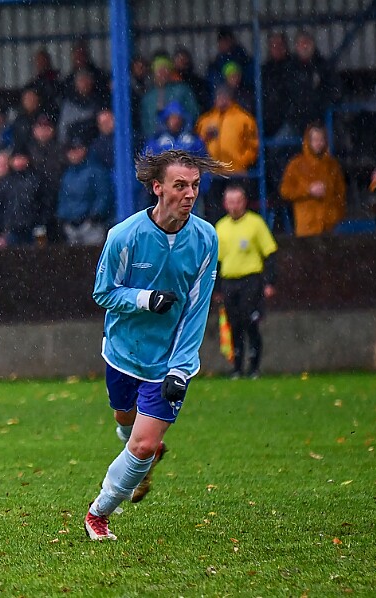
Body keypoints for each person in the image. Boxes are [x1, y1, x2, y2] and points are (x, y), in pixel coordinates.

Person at [84, 150, 228, 541]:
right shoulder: (124, 237)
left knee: (144, 444)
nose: (189, 194)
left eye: (195, 185)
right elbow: (103, 292)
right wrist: (144, 299)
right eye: (180, 185)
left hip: (168, 362)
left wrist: (181, 368)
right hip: (122, 352)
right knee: (124, 422)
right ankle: (139, 457)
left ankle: (98, 514)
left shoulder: (205, 239)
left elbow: (197, 310)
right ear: (157, 187)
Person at [214, 184, 277, 379]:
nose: (234, 206)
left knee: (251, 323)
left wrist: (269, 282)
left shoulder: (255, 223)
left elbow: (270, 253)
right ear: (225, 204)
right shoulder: (220, 227)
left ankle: (254, 367)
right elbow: (216, 261)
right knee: (234, 325)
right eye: (230, 202)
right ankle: (237, 368)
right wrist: (216, 288)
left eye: (238, 201)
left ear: (244, 202)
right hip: (229, 282)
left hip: (251, 281)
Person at [195, 85, 259, 222]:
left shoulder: (244, 119)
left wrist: (242, 161)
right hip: (213, 173)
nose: (222, 99)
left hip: (236, 172)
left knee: (238, 209)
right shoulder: (205, 121)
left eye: (225, 96)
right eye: (219, 96)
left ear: (231, 98)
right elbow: (197, 145)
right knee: (214, 211)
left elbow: (253, 145)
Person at [279, 124, 346, 236]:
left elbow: (340, 193)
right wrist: (308, 190)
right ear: (308, 141)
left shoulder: (332, 165)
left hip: (329, 227)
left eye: (321, 139)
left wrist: (335, 216)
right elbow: (285, 191)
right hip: (307, 227)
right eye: (315, 139)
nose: (318, 143)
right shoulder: (296, 164)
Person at [56, 137, 113, 246]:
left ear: (84, 149)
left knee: (94, 258)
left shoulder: (96, 171)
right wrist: (62, 216)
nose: (73, 153)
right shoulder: (67, 174)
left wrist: (95, 216)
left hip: (91, 226)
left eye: (77, 149)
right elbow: (63, 198)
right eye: (71, 150)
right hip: (70, 226)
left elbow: (103, 195)